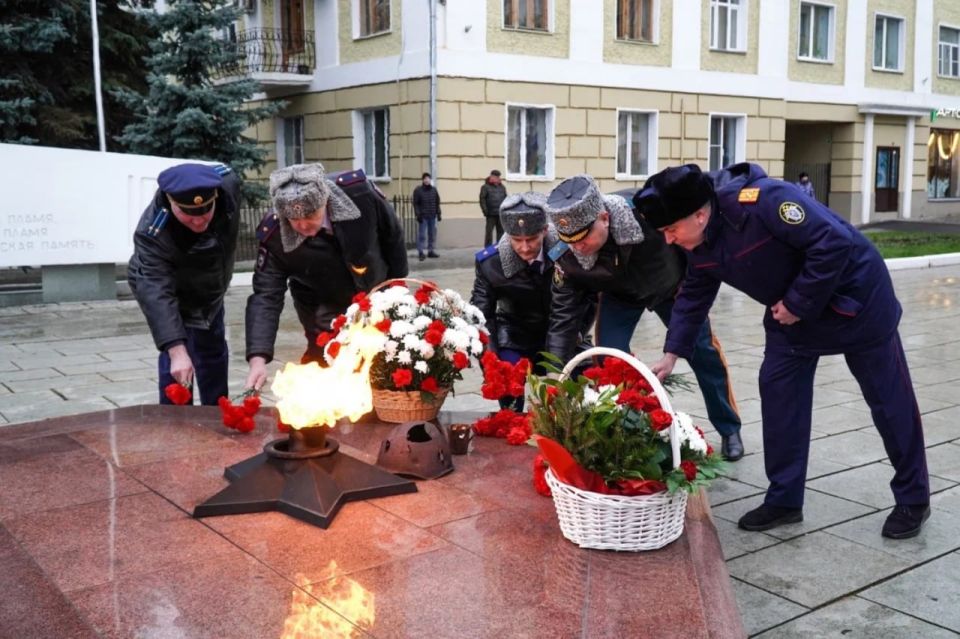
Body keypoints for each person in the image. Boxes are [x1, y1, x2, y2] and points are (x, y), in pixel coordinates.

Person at [639, 162, 930, 539]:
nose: (668, 240)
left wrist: (796, 302)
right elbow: (694, 293)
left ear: (699, 213)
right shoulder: (700, 241)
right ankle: (784, 499)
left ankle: (913, 498)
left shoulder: (765, 203)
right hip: (791, 317)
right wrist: (671, 354)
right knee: (779, 396)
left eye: (671, 229)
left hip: (856, 302)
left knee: (889, 402)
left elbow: (834, 242)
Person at [543, 174, 745, 461]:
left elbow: (690, 248)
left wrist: (690, 294)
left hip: (673, 290)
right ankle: (628, 427)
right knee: (610, 360)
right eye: (568, 240)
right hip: (621, 297)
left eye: (583, 237)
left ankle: (729, 428)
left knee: (703, 353)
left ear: (604, 218)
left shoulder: (648, 215)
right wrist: (556, 372)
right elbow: (563, 317)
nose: (577, 246)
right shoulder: (567, 255)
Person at [244, 163, 408, 390]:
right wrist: (257, 359)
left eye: (311, 215)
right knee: (327, 366)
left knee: (385, 364)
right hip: (321, 308)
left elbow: (393, 238)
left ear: (325, 201)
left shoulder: (359, 194)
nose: (302, 225)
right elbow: (265, 297)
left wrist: (397, 289)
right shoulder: (274, 237)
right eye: (293, 219)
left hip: (375, 292)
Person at [470, 192, 595, 411]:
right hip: (515, 333)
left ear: (545, 230)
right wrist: (489, 358)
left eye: (532, 239)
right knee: (505, 376)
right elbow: (481, 314)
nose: (525, 247)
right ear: (507, 235)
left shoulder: (569, 254)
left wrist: (580, 331)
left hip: (565, 331)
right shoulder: (490, 262)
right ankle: (512, 422)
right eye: (517, 240)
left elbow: (591, 296)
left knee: (579, 388)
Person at [128, 162, 240, 406]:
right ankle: (176, 421)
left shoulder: (228, 185)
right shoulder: (153, 233)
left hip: (211, 289)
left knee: (213, 353)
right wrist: (176, 349)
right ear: (171, 201)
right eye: (189, 214)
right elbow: (156, 291)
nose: (199, 222)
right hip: (171, 291)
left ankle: (216, 414)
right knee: (178, 358)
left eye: (205, 211)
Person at [412, 172, 441, 261]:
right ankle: (421, 252)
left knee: (432, 234)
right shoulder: (418, 190)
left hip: (432, 215)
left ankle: (430, 251)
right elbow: (415, 203)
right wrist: (418, 214)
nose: (427, 180)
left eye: (428, 178)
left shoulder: (434, 190)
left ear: (430, 180)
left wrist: (439, 213)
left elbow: (437, 202)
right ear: (423, 180)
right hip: (423, 216)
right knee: (422, 235)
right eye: (425, 178)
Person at [479, 169, 507, 246]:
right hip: (490, 214)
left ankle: (500, 247)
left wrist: (505, 210)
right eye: (494, 177)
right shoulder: (485, 187)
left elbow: (505, 199)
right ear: (491, 177)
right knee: (489, 232)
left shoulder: (502, 187)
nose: (497, 178)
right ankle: (488, 249)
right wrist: (485, 211)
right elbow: (482, 199)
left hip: (500, 213)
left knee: (501, 232)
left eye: (498, 177)